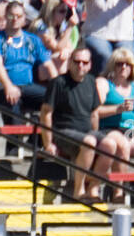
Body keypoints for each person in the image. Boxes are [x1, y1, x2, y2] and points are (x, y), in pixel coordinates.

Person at [41, 46, 127, 200]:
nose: (80, 65)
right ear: (70, 63)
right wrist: (48, 144)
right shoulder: (58, 83)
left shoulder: (91, 81)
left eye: (84, 62)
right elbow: (46, 113)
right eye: (77, 61)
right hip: (63, 131)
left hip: (86, 133)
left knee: (110, 144)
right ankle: (78, 190)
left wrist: (96, 134)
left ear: (89, 65)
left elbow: (94, 113)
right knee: (90, 141)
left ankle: (93, 186)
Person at [97, 48, 134, 200]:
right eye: (119, 64)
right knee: (122, 143)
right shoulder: (104, 83)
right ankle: (119, 190)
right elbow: (95, 111)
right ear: (113, 66)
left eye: (127, 64)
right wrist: (118, 108)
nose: (124, 67)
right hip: (109, 129)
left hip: (131, 130)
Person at [0, 1, 58, 112]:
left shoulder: (33, 40)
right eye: (11, 15)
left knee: (55, 99)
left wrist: (57, 89)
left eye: (19, 16)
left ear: (24, 19)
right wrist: (8, 86)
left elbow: (49, 66)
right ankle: (16, 129)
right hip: (0, 86)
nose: (15, 19)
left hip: (26, 86)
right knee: (13, 99)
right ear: (5, 17)